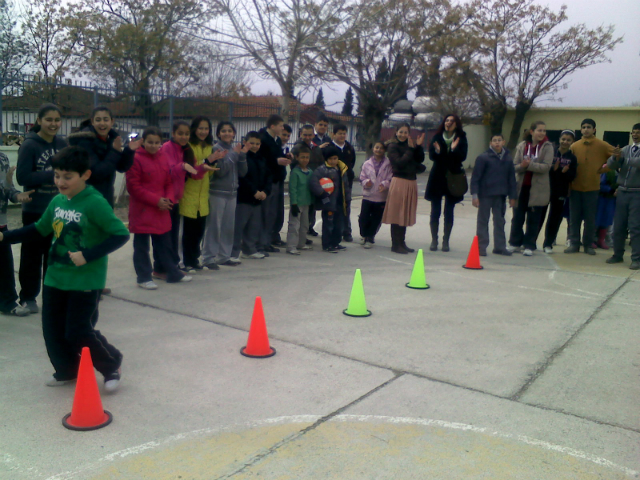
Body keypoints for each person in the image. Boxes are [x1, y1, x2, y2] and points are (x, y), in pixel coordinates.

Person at [0, 146, 129, 390]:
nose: (60, 181)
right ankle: (67, 369)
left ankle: (111, 365)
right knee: (52, 331)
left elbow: (120, 234)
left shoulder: (94, 203)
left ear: (85, 175)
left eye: (67, 176)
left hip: (85, 280)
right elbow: (39, 228)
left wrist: (88, 255)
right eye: (57, 175)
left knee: (78, 331)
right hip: (55, 277)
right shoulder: (58, 201)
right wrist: (4, 237)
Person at [16, 103, 67, 313]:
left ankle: (53, 297)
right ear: (39, 121)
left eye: (56, 120)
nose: (53, 124)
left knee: (54, 257)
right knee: (31, 257)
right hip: (35, 211)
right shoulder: (30, 145)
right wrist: (54, 174)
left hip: (58, 211)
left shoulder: (63, 143)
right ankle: (28, 297)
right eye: (49, 120)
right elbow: (23, 177)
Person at [127, 127, 191, 289]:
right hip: (143, 208)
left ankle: (172, 272)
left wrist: (168, 199)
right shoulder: (135, 159)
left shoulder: (163, 157)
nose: (153, 146)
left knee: (164, 243)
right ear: (143, 142)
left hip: (161, 208)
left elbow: (168, 181)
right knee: (141, 245)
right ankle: (143, 277)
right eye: (150, 142)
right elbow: (134, 187)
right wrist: (157, 200)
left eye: (157, 143)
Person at [160, 121, 215, 274]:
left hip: (179, 197)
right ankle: (168, 266)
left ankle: (180, 263)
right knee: (171, 235)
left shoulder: (185, 149)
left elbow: (193, 173)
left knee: (186, 233)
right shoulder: (168, 148)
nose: (183, 137)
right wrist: (182, 166)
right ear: (173, 133)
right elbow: (169, 169)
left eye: (186, 134)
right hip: (168, 197)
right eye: (180, 133)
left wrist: (203, 168)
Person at [68, 106, 142, 208]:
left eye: (105, 119)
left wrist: (129, 151)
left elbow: (121, 167)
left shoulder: (112, 139)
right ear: (92, 122)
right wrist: (115, 152)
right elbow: (96, 173)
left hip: (106, 196)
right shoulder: (84, 142)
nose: (102, 123)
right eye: (98, 120)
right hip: (88, 197)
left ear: (112, 122)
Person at [565, 118, 618, 255]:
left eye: (589, 127)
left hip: (592, 188)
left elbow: (617, 157)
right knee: (574, 218)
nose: (586, 129)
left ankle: (588, 245)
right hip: (575, 187)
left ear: (594, 129)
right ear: (581, 129)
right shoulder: (575, 146)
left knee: (590, 219)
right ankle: (574, 244)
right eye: (583, 127)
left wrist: (604, 169)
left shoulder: (602, 145)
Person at [201, 121, 247, 269]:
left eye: (229, 131)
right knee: (214, 226)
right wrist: (234, 154)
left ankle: (224, 256)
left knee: (228, 227)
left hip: (232, 194)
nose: (227, 133)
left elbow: (243, 172)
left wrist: (242, 156)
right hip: (217, 193)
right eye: (223, 131)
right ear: (218, 134)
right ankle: (208, 257)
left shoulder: (234, 150)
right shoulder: (216, 149)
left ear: (234, 133)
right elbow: (220, 171)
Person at [181, 116, 224, 272]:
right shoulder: (188, 146)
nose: (203, 131)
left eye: (206, 129)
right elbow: (191, 168)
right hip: (189, 192)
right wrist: (208, 160)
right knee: (189, 231)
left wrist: (213, 162)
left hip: (203, 194)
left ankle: (194, 260)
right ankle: (186, 261)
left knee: (199, 230)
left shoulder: (209, 146)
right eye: (200, 128)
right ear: (194, 129)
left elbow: (208, 173)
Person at [507, 121, 553, 256]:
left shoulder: (547, 147)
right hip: (522, 188)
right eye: (539, 130)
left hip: (537, 189)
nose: (542, 133)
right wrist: (522, 165)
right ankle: (515, 242)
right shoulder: (522, 146)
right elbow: (514, 166)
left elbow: (546, 167)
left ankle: (529, 245)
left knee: (533, 219)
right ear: (532, 131)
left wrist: (530, 165)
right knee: (517, 217)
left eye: (544, 131)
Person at [425, 114, 468, 252]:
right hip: (437, 176)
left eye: (451, 121)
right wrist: (439, 151)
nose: (448, 123)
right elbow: (432, 156)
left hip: (453, 177)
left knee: (449, 210)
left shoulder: (461, 137)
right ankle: (434, 240)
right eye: (447, 120)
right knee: (435, 210)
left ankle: (445, 241)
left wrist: (454, 149)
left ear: (456, 124)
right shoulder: (437, 137)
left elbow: (462, 156)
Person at [382, 124, 426, 254]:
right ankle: (395, 244)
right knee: (397, 214)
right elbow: (399, 163)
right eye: (400, 132)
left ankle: (402, 242)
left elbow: (420, 159)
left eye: (405, 132)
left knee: (405, 213)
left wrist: (418, 147)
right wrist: (411, 150)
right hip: (399, 181)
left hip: (411, 181)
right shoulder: (392, 146)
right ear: (396, 132)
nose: (403, 135)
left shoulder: (410, 145)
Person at [470, 134, 517, 256]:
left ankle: (500, 247)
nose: (497, 143)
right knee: (483, 221)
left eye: (499, 140)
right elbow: (475, 178)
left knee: (500, 221)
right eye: (494, 141)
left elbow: (511, 178)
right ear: (490, 143)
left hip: (500, 195)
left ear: (503, 142)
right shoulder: (483, 158)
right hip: (485, 195)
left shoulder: (508, 158)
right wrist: (475, 195)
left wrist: (513, 196)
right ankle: (481, 247)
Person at [0, 151, 33, 316]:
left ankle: (7, 302)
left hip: (1, 222)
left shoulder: (2, 158)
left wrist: (15, 195)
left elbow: (7, 188)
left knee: (5, 265)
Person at [604, 123, 640, 270]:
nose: (635, 135)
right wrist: (615, 157)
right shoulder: (625, 149)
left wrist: (623, 160)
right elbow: (610, 165)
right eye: (633, 132)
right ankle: (617, 254)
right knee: (618, 225)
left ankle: (636, 258)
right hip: (623, 191)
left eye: (638, 132)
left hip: (637, 192)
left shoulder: (628, 154)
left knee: (635, 227)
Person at [232, 132, 271, 260]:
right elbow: (242, 177)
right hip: (244, 198)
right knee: (239, 226)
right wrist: (254, 191)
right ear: (245, 142)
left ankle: (249, 250)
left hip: (258, 199)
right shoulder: (243, 157)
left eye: (257, 143)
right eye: (251, 143)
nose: (254, 146)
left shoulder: (262, 158)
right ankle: (234, 252)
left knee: (254, 226)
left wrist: (265, 191)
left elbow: (267, 177)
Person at [538, 130, 577, 253]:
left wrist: (565, 172)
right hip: (545, 189)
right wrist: (553, 169)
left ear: (572, 142)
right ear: (559, 139)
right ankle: (530, 242)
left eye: (568, 140)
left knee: (554, 218)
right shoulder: (551, 152)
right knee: (539, 216)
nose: (565, 142)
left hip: (560, 191)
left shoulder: (572, 158)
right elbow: (542, 168)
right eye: (563, 139)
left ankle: (548, 244)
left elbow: (573, 176)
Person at [310, 145, 351, 253]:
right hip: (328, 201)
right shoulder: (322, 169)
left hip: (340, 202)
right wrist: (322, 194)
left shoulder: (342, 168)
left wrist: (347, 198)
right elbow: (314, 182)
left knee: (339, 224)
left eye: (335, 158)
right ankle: (327, 244)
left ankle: (335, 243)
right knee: (328, 224)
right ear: (326, 159)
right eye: (331, 159)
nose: (333, 161)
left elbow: (346, 185)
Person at [258, 114, 290, 254]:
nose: (282, 128)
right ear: (272, 126)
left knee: (272, 213)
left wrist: (285, 158)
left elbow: (275, 156)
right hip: (267, 181)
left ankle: (267, 241)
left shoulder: (276, 140)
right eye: (280, 125)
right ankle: (260, 243)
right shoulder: (263, 139)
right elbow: (261, 160)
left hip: (277, 179)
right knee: (265, 213)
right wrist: (277, 161)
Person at [358, 141, 392, 249]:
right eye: (377, 147)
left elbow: (390, 178)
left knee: (376, 218)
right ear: (373, 149)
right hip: (368, 195)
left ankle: (370, 237)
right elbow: (362, 177)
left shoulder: (388, 164)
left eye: (381, 148)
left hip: (381, 196)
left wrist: (384, 184)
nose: (379, 150)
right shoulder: (367, 164)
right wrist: (366, 182)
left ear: (385, 150)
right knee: (364, 217)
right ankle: (364, 234)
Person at [286, 144, 314, 255]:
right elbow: (292, 189)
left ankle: (301, 244)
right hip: (297, 204)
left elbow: (312, 187)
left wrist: (312, 202)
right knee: (294, 226)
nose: (305, 160)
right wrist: (293, 204)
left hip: (307, 203)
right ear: (297, 158)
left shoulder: (310, 172)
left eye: (307, 157)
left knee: (305, 225)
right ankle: (291, 246)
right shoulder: (295, 173)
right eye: (302, 157)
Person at [332, 124, 356, 242]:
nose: (342, 136)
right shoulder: (329, 148)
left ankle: (346, 231)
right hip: (332, 183)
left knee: (346, 206)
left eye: (344, 133)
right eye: (339, 133)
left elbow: (352, 163)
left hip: (347, 182)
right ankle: (332, 231)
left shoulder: (349, 148)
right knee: (333, 206)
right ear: (334, 134)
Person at [309, 114, 331, 238]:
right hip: (313, 174)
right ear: (316, 125)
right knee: (311, 204)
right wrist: (318, 148)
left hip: (325, 176)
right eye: (320, 124)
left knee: (325, 201)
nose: (322, 127)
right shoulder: (312, 139)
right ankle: (309, 227)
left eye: (325, 125)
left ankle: (327, 229)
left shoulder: (329, 140)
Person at [594, 169, 617, 249]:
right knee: (597, 219)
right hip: (602, 198)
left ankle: (601, 240)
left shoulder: (621, 171)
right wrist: (611, 190)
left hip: (611, 200)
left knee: (607, 219)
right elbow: (600, 184)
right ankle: (591, 239)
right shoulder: (607, 170)